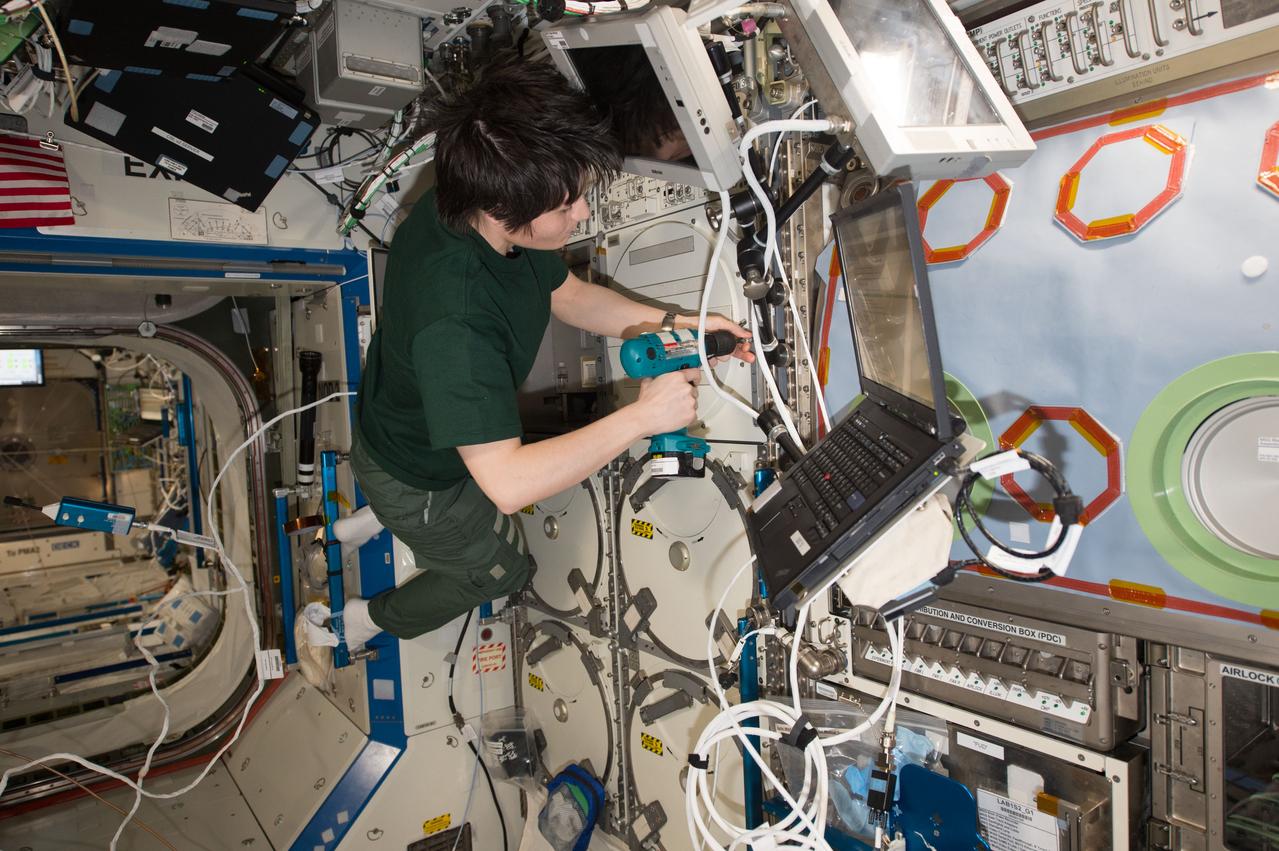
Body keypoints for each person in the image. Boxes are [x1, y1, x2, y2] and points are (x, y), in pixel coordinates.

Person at [332, 58, 752, 650]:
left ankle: (378, 516)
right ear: (505, 207)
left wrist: (682, 321)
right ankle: (359, 620)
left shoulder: (465, 201)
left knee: (451, 488)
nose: (581, 213)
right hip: (417, 475)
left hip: (400, 434)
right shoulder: (456, 321)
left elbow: (569, 295)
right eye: (566, 206)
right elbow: (507, 484)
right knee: (500, 570)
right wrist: (643, 417)